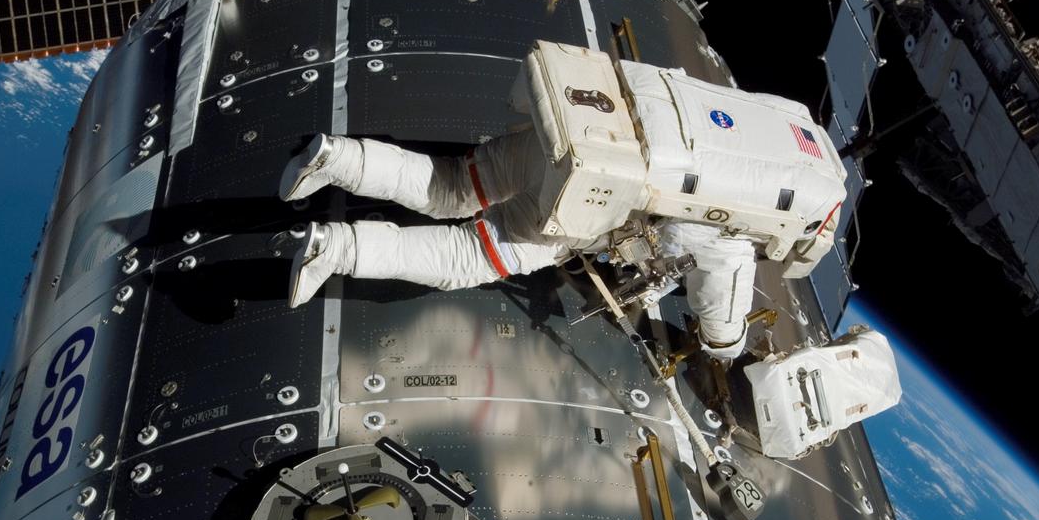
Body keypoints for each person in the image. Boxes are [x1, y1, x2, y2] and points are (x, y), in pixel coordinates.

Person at [280, 130, 761, 359]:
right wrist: (732, 346)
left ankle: (335, 157)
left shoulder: (726, 135)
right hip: (575, 203)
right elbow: (721, 336)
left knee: (448, 186)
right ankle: (333, 248)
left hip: (567, 138)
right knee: (462, 258)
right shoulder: (740, 230)